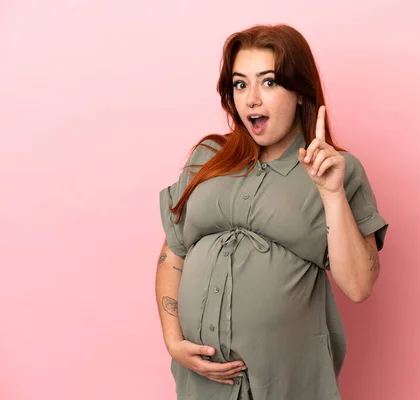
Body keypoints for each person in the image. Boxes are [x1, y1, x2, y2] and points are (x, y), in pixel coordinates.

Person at [155, 23, 388, 400]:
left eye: (268, 82)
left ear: (299, 91)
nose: (251, 100)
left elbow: (360, 286)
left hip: (288, 384)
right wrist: (172, 340)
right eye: (240, 84)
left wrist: (331, 194)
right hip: (202, 386)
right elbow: (173, 251)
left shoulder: (337, 169)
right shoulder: (208, 158)